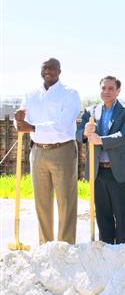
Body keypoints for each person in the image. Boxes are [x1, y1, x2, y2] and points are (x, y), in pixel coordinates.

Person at [14, 58, 81, 244]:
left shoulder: (70, 94)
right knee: (41, 202)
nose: (48, 71)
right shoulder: (30, 95)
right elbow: (21, 121)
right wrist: (17, 120)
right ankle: (45, 245)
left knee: (66, 200)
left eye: (52, 68)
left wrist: (32, 127)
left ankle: (65, 246)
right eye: (45, 68)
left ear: (60, 71)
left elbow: (63, 124)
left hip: (62, 150)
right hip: (38, 152)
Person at [76, 76, 125, 244]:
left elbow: (124, 136)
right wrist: (86, 133)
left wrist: (100, 140)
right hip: (98, 171)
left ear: (118, 90)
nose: (106, 92)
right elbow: (79, 135)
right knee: (102, 216)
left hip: (120, 171)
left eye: (110, 88)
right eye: (103, 88)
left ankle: (124, 252)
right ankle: (106, 251)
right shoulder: (90, 111)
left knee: (122, 216)